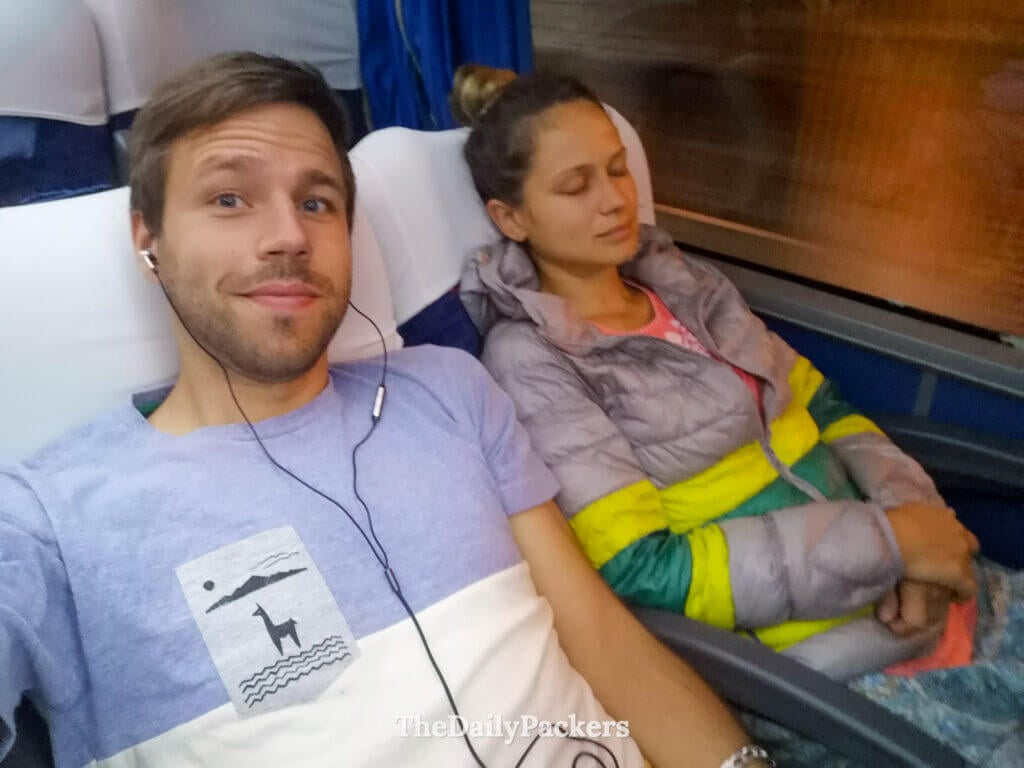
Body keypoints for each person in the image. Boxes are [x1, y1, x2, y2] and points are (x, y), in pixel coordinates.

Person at [0, 53, 766, 768]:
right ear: (150, 239)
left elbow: (603, 642)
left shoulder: (450, 392)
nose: (288, 236)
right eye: (229, 198)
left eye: (317, 201)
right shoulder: (49, 521)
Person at [454, 66, 1024, 765]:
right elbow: (642, 570)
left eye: (618, 171)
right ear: (510, 218)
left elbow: (822, 404)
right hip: (825, 672)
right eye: (576, 187)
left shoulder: (684, 283)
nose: (615, 201)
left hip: (937, 586)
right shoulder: (534, 360)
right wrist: (889, 545)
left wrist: (921, 527)